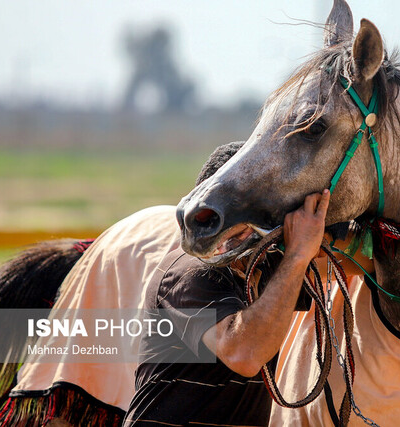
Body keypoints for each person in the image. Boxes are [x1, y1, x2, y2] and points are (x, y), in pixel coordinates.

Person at [124, 144, 331, 426]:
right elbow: (244, 353)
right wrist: (297, 255)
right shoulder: (191, 270)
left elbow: (348, 264)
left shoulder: (263, 268)